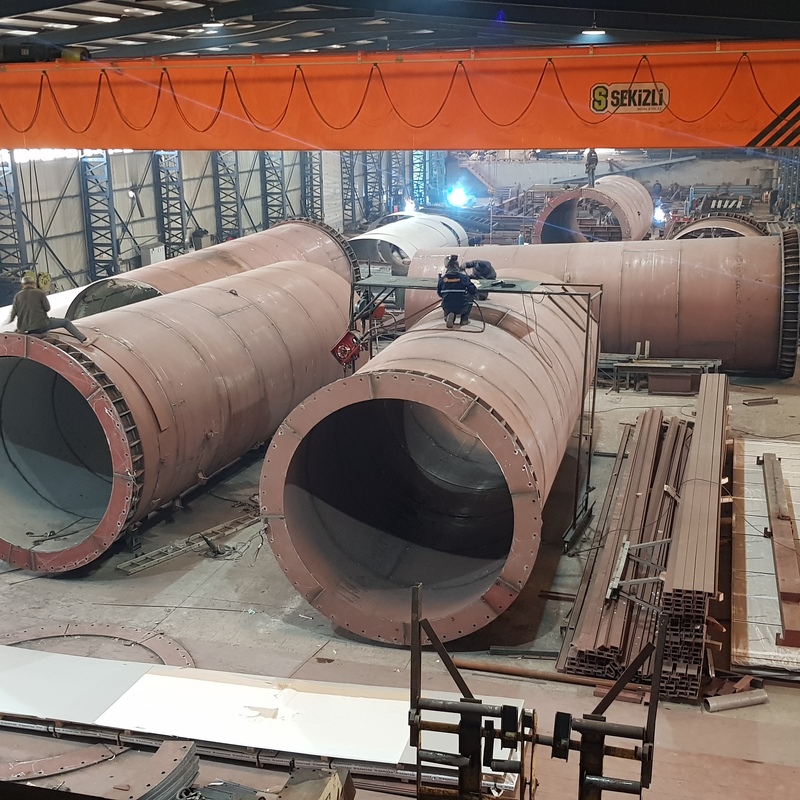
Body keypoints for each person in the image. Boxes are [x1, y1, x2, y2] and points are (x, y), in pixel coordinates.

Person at [6, 275, 89, 343]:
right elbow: (47, 308)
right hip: (41, 325)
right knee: (66, 322)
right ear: (33, 283)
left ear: (22, 285)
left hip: (25, 329)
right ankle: (84, 339)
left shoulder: (17, 296)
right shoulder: (39, 293)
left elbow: (13, 314)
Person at [437, 255, 476, 328]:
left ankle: (448, 315)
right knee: (471, 296)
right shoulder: (463, 278)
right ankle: (464, 319)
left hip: (447, 307)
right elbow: (472, 290)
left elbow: (439, 293)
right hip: (461, 307)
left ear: (447, 267)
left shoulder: (442, 279)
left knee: (446, 298)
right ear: (457, 266)